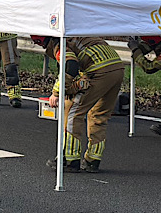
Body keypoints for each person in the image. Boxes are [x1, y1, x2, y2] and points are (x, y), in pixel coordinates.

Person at [42, 36, 125, 172]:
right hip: (117, 69)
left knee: (72, 112)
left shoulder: (61, 43)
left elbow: (70, 66)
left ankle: (69, 160)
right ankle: (92, 160)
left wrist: (56, 92)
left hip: (98, 71)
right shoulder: (82, 34)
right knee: (99, 115)